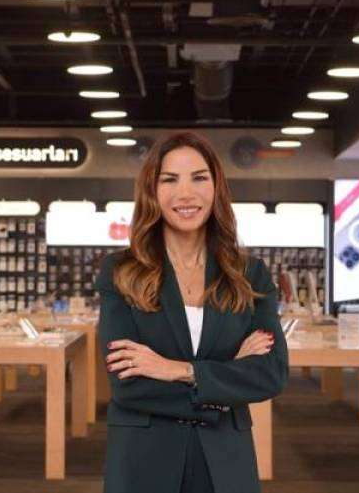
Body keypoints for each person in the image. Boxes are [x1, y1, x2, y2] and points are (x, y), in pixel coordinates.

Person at [97, 131, 289, 493]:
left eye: (199, 178)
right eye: (170, 180)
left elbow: (270, 373)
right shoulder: (120, 271)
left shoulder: (250, 274)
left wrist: (179, 370)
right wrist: (223, 388)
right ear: (152, 190)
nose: (185, 193)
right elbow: (128, 385)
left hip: (225, 461)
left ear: (216, 187)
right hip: (144, 460)